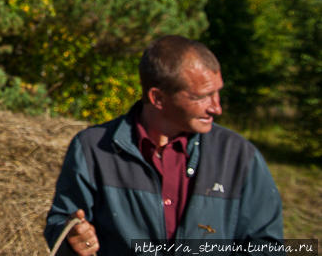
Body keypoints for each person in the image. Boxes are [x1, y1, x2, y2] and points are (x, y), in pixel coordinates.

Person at [44, 35, 283, 255]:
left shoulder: (239, 156)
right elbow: (61, 226)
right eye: (201, 97)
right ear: (157, 98)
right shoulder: (93, 149)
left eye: (217, 92)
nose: (216, 108)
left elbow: (267, 245)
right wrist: (72, 240)